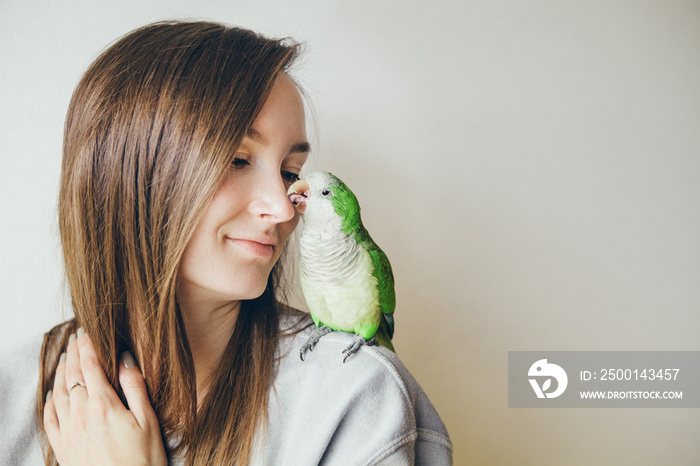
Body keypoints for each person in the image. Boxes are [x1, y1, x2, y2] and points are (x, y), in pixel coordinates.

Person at [0, 20, 453, 465]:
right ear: (125, 176)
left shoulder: (354, 398)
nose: (281, 207)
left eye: (290, 173)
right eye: (237, 160)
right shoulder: (10, 396)